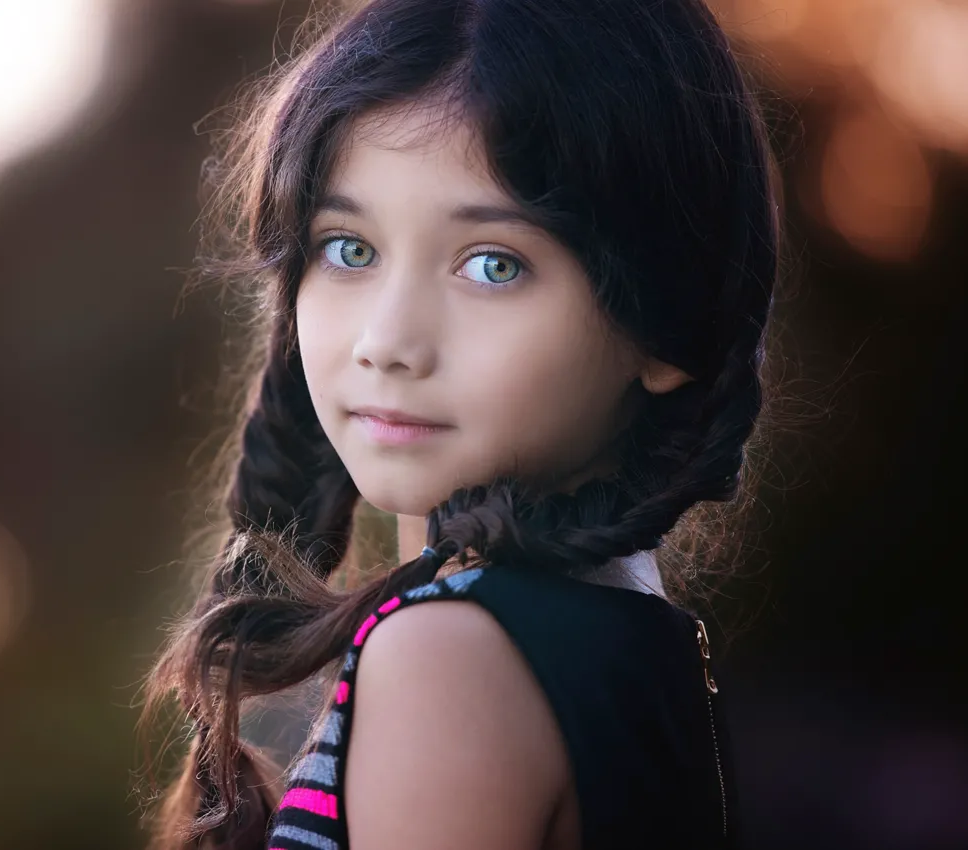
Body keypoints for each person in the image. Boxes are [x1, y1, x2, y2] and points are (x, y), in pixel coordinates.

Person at [138, 0, 778, 847]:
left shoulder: (447, 657)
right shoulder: (639, 643)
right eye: (348, 248)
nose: (387, 342)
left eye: (492, 265)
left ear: (667, 324)